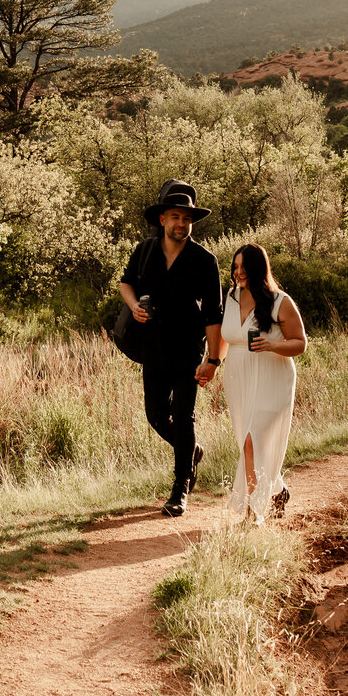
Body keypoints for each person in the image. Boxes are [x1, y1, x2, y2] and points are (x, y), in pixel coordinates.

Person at [118, 180, 224, 518]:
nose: (182, 224)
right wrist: (133, 305)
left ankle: (181, 487)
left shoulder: (204, 260)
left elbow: (213, 314)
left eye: (187, 218)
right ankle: (191, 451)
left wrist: (214, 360)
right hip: (152, 347)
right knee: (155, 415)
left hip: (189, 348)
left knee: (183, 415)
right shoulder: (145, 250)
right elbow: (126, 283)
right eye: (176, 216)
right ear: (163, 219)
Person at [217, 243, 307, 524]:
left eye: (245, 267)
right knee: (248, 440)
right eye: (235, 266)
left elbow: (300, 344)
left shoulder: (281, 301)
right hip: (238, 378)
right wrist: (210, 364)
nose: (239, 272)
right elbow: (225, 338)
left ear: (259, 269)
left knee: (251, 441)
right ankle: (277, 491)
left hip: (273, 377)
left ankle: (254, 511)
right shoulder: (231, 296)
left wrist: (272, 343)